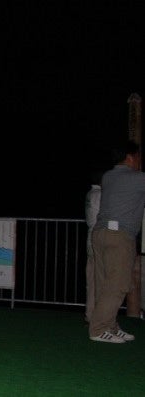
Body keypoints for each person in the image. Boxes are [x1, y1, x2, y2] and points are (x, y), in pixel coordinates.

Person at [88, 140, 145, 343]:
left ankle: (110, 326)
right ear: (130, 157)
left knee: (104, 283)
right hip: (120, 236)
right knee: (118, 284)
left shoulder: (108, 176)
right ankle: (98, 329)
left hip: (100, 233)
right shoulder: (138, 178)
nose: (140, 161)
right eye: (138, 157)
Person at [84, 171, 103, 324]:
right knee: (99, 278)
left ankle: (90, 314)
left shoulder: (91, 193)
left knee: (91, 278)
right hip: (98, 237)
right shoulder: (100, 194)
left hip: (90, 237)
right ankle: (98, 315)